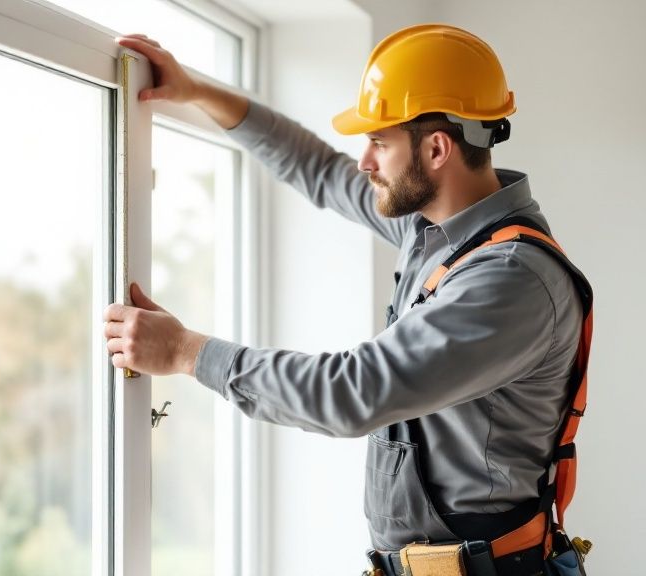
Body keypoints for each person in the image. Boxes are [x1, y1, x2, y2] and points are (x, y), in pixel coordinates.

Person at [105, 24, 592, 576]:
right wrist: (198, 91)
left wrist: (185, 353)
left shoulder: (508, 280)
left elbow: (350, 392)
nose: (365, 161)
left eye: (380, 142)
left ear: (437, 148)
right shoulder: (432, 231)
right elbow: (320, 170)